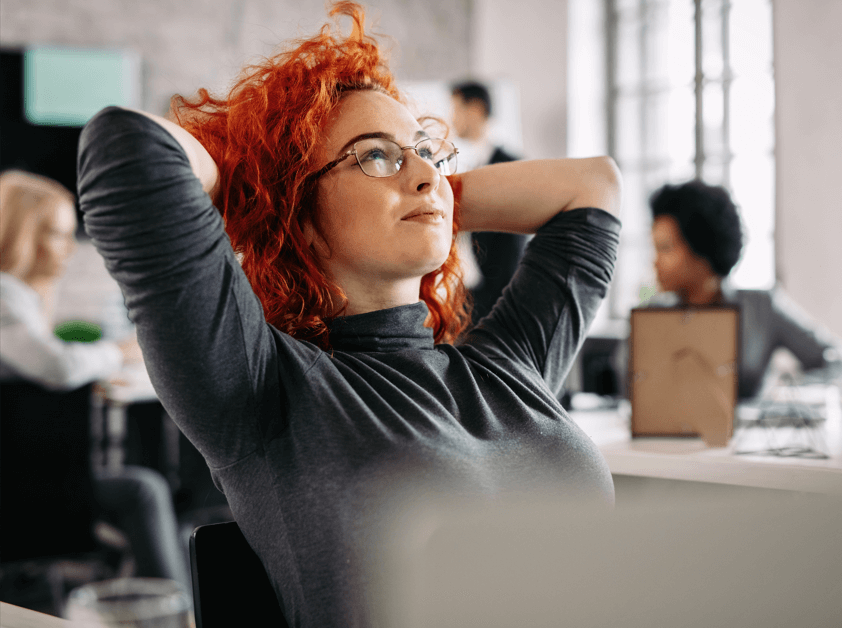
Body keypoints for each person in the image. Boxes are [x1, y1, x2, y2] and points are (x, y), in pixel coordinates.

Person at [75, 3, 621, 626]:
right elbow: (125, 144)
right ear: (300, 222)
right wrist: (264, 192)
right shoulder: (264, 391)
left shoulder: (505, 365)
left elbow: (594, 186)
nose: (425, 173)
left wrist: (431, 196)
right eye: (375, 156)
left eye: (425, 150)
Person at [0, 169, 190, 591]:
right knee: (144, 489)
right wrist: (119, 350)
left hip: (28, 476)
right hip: (23, 488)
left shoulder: (21, 299)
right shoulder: (4, 297)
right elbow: (58, 368)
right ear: (20, 234)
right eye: (56, 234)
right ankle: (175, 609)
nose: (69, 249)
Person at [646, 179, 833, 398]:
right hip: (664, 431)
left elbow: (835, 360)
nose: (655, 262)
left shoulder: (761, 308)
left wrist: (789, 392)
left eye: (665, 248)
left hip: (750, 431)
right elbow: (629, 385)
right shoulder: (650, 316)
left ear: (701, 247)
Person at [450, 80, 529, 325]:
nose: (452, 120)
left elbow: (511, 244)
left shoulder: (509, 165)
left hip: (497, 302)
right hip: (471, 296)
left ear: (474, 109)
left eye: (456, 110)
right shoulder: (471, 163)